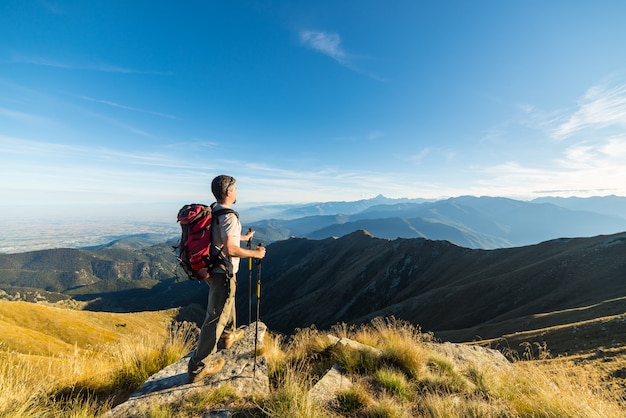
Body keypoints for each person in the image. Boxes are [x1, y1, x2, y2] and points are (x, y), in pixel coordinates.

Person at [188, 174, 266, 383]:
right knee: (214, 318)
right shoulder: (229, 216)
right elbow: (230, 249)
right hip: (223, 271)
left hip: (212, 269)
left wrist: (244, 238)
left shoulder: (214, 210)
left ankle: (228, 334)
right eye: (236, 188)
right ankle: (198, 367)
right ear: (229, 192)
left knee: (227, 302)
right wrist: (255, 254)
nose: (237, 192)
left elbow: (220, 238)